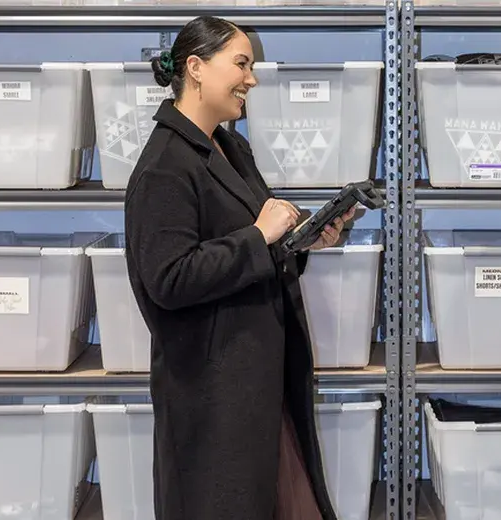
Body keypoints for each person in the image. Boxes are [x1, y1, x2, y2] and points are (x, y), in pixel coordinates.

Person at [124, 16, 353, 520]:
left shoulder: (231, 146)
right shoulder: (164, 166)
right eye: (242, 64)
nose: (252, 78)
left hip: (259, 382)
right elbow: (169, 278)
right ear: (196, 68)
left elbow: (257, 252)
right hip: (213, 396)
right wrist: (259, 234)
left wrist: (306, 238)